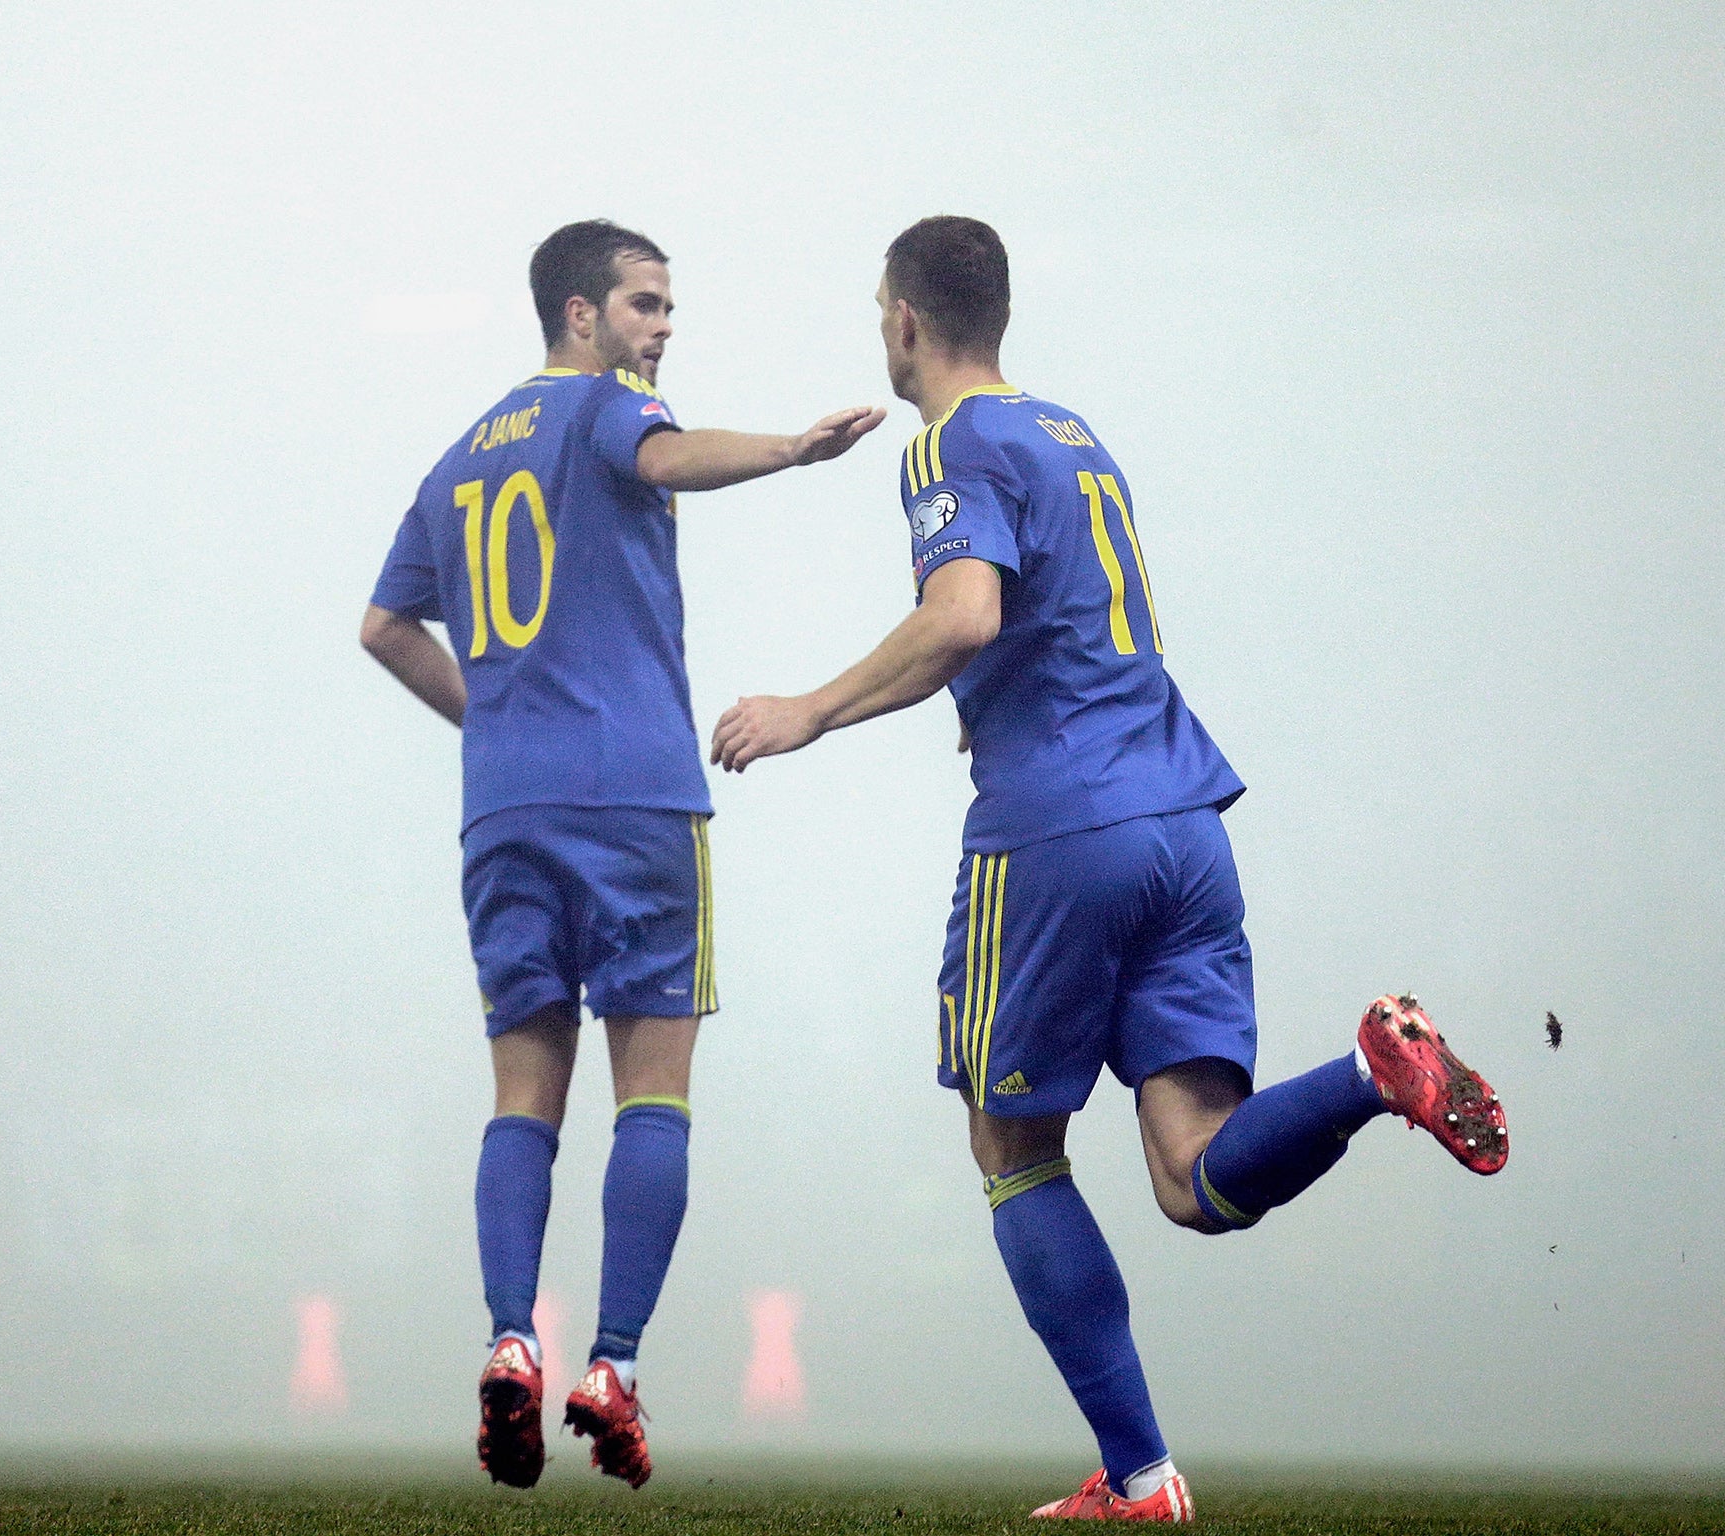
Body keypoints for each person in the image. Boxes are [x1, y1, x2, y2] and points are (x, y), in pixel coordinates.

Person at [709, 216, 1506, 1523]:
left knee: (1012, 1143)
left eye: (878, 312)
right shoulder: (1076, 436)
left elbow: (963, 615)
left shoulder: (948, 444)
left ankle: (1142, 1479)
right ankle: (1373, 1073)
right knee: (1194, 1176)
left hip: (1062, 829)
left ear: (905, 318)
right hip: (1186, 817)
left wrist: (808, 708)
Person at [361, 219, 883, 1491]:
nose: (662, 328)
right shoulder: (607, 406)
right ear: (580, 317)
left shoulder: (452, 462)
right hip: (636, 801)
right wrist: (790, 449)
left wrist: (497, 724)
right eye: (645, 305)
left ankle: (505, 1343)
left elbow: (384, 625)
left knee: (521, 1097)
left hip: (504, 813)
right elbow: (662, 456)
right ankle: (611, 1364)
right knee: (651, 1092)